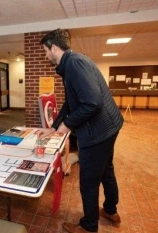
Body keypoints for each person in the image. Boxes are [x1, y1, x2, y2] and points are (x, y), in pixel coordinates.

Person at [36, 28, 123, 233]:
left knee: (89, 181)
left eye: (46, 51)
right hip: (110, 127)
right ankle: (110, 210)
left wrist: (68, 125)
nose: (46, 55)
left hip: (99, 131)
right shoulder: (73, 63)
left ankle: (89, 226)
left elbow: (92, 103)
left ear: (55, 48)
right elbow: (71, 102)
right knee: (106, 170)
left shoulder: (74, 64)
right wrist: (54, 127)